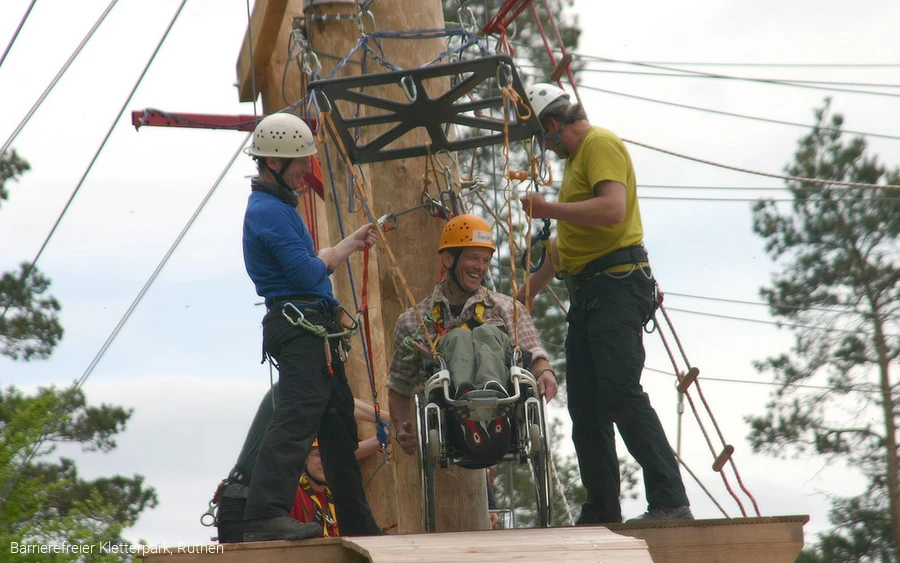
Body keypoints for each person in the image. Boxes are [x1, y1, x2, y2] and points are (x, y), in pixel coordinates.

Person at [518, 83, 692, 524]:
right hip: (592, 294)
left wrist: (548, 210)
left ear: (552, 124)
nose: (545, 149)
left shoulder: (599, 143)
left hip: (616, 288)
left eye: (542, 139)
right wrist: (530, 290)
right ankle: (602, 509)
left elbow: (613, 209)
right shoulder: (577, 162)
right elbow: (570, 243)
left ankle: (671, 501)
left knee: (619, 393)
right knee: (586, 407)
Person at [240, 111, 382, 541]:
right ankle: (264, 513)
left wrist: (348, 244)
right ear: (275, 162)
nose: (308, 168)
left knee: (337, 429)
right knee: (297, 418)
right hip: (299, 327)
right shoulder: (269, 211)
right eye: (302, 160)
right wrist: (335, 255)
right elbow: (305, 273)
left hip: (312, 328)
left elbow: (310, 265)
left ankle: (358, 524)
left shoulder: (280, 208)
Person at [387, 214, 558, 459]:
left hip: (506, 410)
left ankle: (493, 400)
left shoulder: (506, 308)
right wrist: (403, 426)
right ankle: (467, 405)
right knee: (457, 337)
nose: (480, 267)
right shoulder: (414, 321)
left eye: (485, 260)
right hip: (451, 417)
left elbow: (534, 353)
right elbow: (399, 385)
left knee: (487, 332)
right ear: (448, 259)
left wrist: (546, 372)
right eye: (473, 258)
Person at [213, 384, 389, 543]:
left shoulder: (303, 407)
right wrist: (389, 419)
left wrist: (380, 438)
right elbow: (339, 402)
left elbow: (335, 455)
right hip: (244, 501)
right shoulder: (292, 388)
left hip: (259, 504)